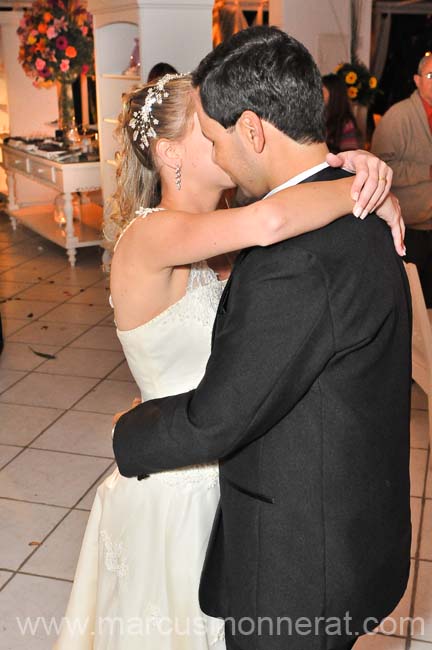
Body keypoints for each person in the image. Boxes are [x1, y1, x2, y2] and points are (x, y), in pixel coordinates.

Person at [55, 68, 401, 649]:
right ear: (170, 153)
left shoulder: (224, 231)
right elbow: (271, 221)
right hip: (175, 485)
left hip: (234, 474)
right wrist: (361, 188)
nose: (224, 129)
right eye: (207, 124)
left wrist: (358, 164)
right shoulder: (152, 235)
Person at [371, 52, 432, 304]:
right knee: (411, 301)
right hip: (409, 228)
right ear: (417, 80)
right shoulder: (399, 116)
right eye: (431, 75)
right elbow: (380, 166)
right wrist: (426, 172)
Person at [322, 73, 361, 153]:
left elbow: (350, 155)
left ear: (334, 95)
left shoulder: (346, 123)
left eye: (321, 91)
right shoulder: (315, 116)